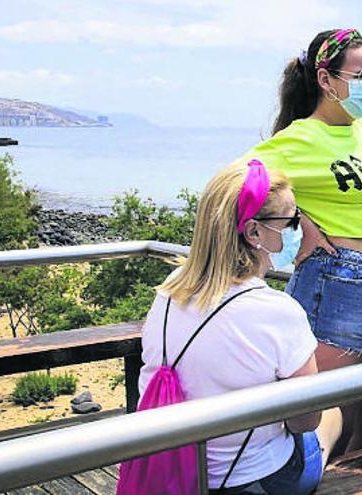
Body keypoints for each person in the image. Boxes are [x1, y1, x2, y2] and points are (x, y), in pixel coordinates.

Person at [235, 28, 362, 453]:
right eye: (360, 75)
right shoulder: (298, 139)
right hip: (339, 282)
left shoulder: (359, 127)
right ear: (326, 80)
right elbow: (234, 186)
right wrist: (299, 220)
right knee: (322, 417)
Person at [137, 160, 341, 494]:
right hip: (252, 480)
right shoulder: (278, 312)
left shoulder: (172, 288)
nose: (299, 228)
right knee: (331, 412)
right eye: (291, 219)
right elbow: (305, 420)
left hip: (177, 468)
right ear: (254, 232)